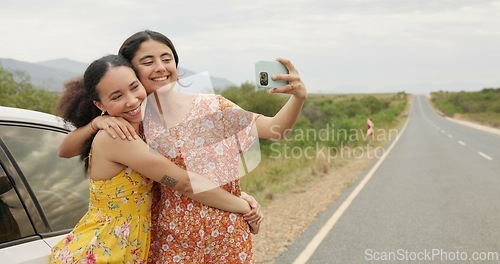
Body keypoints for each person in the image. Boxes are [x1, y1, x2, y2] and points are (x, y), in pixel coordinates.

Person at [59, 30, 307, 263]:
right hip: (168, 242)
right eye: (147, 62)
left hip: (226, 234)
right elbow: (66, 149)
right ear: (132, 71)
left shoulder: (213, 107)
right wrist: (97, 122)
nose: (160, 67)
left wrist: (298, 97)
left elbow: (275, 129)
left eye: (166, 58)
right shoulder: (132, 123)